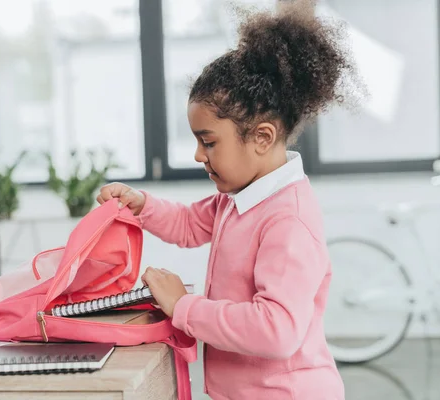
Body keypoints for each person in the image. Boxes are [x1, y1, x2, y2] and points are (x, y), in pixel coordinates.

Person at [97, 1, 360, 398]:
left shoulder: (287, 219)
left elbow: (276, 330)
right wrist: (142, 204)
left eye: (208, 142)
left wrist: (184, 306)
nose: (199, 156)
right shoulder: (239, 199)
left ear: (262, 137)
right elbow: (188, 224)